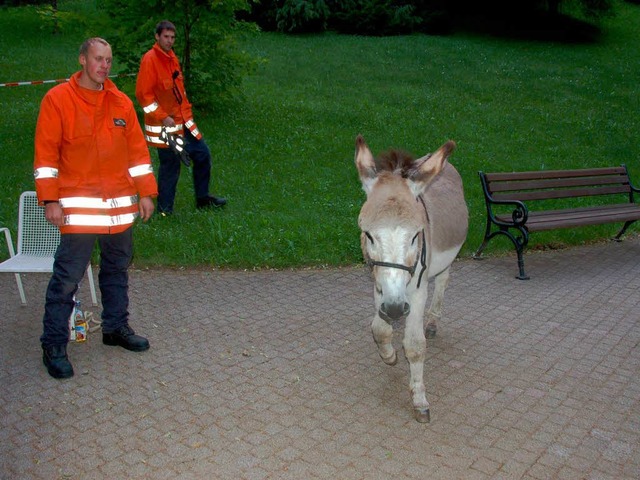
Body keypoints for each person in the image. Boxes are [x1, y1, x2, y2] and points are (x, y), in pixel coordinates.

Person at [34, 37, 159, 379]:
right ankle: (54, 343)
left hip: (119, 212)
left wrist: (146, 193)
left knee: (117, 272)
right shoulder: (58, 100)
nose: (104, 65)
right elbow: (46, 156)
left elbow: (137, 154)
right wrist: (50, 200)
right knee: (66, 280)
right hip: (78, 214)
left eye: (108, 59)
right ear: (82, 60)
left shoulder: (120, 103)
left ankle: (115, 328)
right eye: (98, 59)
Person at [135, 20, 227, 215]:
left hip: (183, 122)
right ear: (157, 37)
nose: (169, 41)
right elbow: (144, 96)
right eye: (166, 37)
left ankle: (203, 199)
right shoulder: (150, 59)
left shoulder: (171, 58)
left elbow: (178, 91)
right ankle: (164, 210)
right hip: (165, 127)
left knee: (202, 154)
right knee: (171, 165)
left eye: (172, 37)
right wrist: (163, 116)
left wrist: (186, 116)